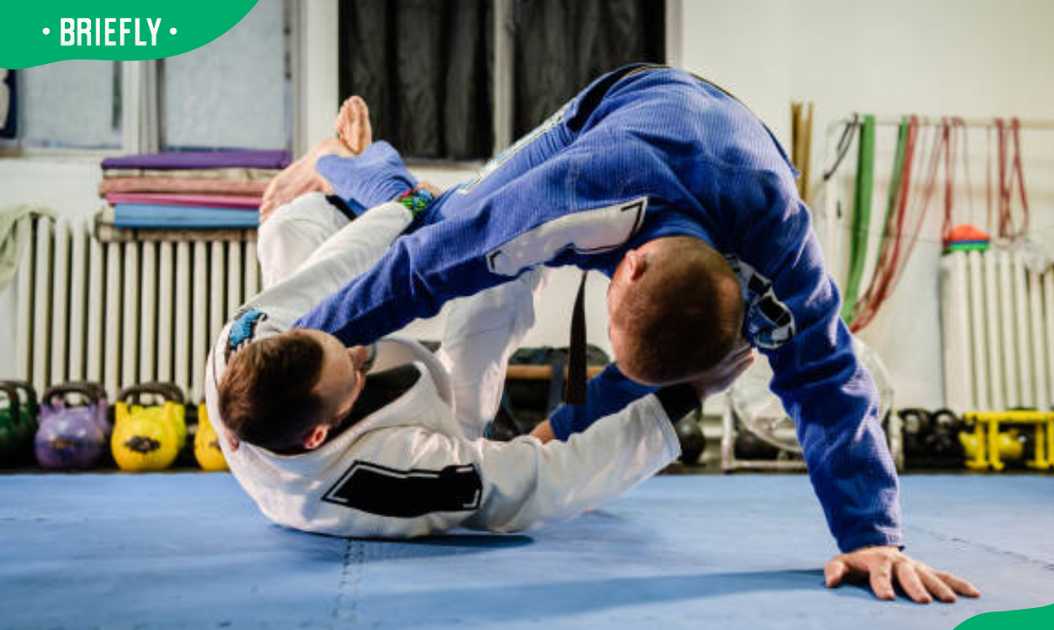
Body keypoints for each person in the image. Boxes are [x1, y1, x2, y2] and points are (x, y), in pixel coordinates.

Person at [266, 64, 980, 604]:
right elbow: (422, 270)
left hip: (743, 153)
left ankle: (544, 441)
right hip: (621, 107)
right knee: (439, 221)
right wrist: (293, 352)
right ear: (626, 264)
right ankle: (348, 162)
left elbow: (827, 378)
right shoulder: (568, 196)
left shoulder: (781, 254)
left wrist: (870, 537)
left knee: (697, 348)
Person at [204, 100, 753, 540]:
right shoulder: (388, 478)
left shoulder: (247, 343)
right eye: (347, 365)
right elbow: (543, 487)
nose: (355, 345)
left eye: (333, 339)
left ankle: (348, 170)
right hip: (441, 416)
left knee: (289, 229)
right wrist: (685, 396)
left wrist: (403, 199)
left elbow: (340, 265)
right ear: (319, 433)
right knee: (505, 280)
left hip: (325, 360)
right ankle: (514, 431)